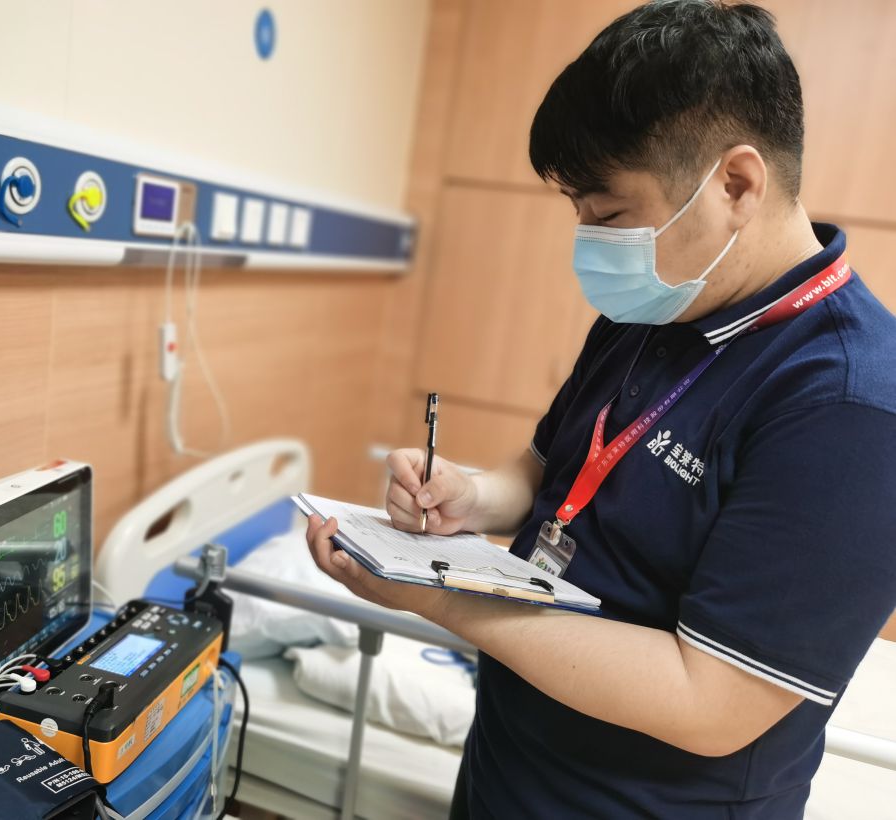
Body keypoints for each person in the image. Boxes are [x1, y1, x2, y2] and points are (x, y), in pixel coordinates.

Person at [303, 1, 896, 817]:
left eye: (611, 215)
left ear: (736, 184)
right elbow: (549, 469)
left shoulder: (851, 406)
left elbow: (712, 701)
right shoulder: (657, 306)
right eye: (578, 211)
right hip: (508, 772)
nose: (588, 239)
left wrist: (439, 598)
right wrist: (469, 496)